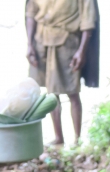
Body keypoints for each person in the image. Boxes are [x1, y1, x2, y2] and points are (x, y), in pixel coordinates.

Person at [25, 0, 98, 145]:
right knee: (51, 93)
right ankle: (59, 137)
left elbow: (88, 20)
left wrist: (81, 51)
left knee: (72, 91)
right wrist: (29, 44)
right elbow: (31, 13)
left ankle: (77, 139)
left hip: (67, 42)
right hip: (41, 40)